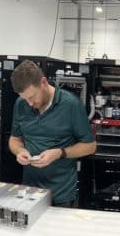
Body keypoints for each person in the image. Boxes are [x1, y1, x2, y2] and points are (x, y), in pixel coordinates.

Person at [8, 60, 96, 208]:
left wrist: (59, 153)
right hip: (30, 192)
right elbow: (15, 139)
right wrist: (20, 151)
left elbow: (90, 146)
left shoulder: (71, 105)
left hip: (61, 195)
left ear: (43, 82)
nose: (29, 103)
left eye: (32, 97)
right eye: (25, 98)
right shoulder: (20, 104)